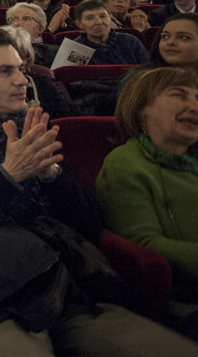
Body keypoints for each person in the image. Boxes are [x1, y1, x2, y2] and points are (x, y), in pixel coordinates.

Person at [0, 27, 195, 357]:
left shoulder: (36, 126)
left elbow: (90, 224)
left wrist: (52, 176)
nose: (21, 80)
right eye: (4, 71)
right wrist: (9, 175)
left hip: (62, 282)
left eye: (20, 69)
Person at [97, 66, 198, 340]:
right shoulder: (124, 164)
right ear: (142, 109)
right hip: (183, 301)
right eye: (179, 95)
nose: (194, 106)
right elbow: (144, 246)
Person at [72, 0, 150, 66]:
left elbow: (148, 70)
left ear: (110, 18)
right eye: (90, 18)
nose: (99, 22)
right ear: (79, 24)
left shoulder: (130, 41)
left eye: (103, 16)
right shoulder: (76, 49)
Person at [6, 2, 60, 68]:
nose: (19, 23)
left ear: (41, 28)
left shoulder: (57, 53)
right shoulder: (2, 50)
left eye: (26, 19)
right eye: (14, 19)